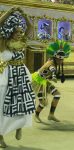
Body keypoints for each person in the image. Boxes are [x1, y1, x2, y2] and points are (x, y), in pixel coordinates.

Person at [0, 7, 35, 148]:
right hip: (6, 77)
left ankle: (19, 127)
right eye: (17, 32)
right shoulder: (3, 43)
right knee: (3, 105)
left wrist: (24, 14)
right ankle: (1, 136)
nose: (20, 34)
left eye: (21, 31)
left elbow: (30, 28)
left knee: (23, 103)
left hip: (21, 76)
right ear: (10, 32)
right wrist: (8, 12)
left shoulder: (22, 43)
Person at [32, 40, 71, 123]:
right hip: (38, 81)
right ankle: (36, 114)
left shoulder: (54, 62)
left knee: (57, 95)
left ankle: (51, 115)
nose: (61, 61)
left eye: (62, 60)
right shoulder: (51, 63)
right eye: (59, 59)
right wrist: (53, 76)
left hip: (44, 81)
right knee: (43, 102)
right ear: (55, 58)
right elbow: (51, 69)